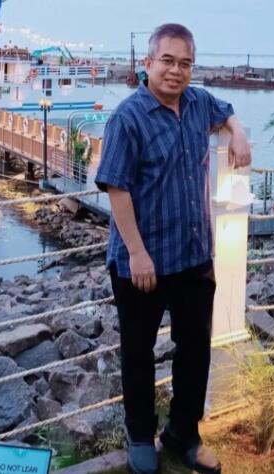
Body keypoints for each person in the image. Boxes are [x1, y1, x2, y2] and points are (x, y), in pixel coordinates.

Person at [95, 23, 251, 474]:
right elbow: (117, 188)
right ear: (148, 64)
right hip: (141, 260)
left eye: (185, 63)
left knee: (195, 349)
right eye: (167, 60)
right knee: (138, 352)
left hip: (193, 255)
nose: (176, 70)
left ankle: (184, 433)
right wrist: (137, 253)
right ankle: (140, 434)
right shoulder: (128, 118)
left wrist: (237, 131)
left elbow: (224, 108)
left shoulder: (198, 103)